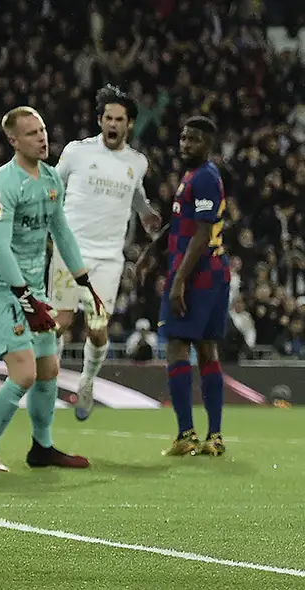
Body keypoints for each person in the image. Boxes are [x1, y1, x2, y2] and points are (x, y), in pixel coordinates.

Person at [0, 106, 103, 474]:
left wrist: (84, 282)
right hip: (2, 290)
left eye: (43, 129)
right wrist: (25, 296)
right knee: (24, 374)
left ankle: (42, 448)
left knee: (48, 369)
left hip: (34, 291)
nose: (42, 137)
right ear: (13, 140)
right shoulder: (2, 184)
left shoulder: (50, 180)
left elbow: (61, 230)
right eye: (31, 133)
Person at [49, 85, 161, 421]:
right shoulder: (77, 152)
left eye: (119, 119)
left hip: (109, 259)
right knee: (60, 322)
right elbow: (52, 185)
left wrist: (146, 214)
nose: (113, 124)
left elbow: (137, 196)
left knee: (97, 329)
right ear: (100, 121)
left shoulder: (137, 163)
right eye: (108, 118)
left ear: (129, 124)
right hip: (70, 251)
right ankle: (48, 384)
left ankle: (86, 381)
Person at [136, 116, 228, 458]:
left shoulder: (204, 177)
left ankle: (186, 434)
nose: (185, 144)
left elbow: (202, 234)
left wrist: (178, 282)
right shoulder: (195, 177)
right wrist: (150, 253)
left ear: (208, 144)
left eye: (193, 139)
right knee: (206, 350)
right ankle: (214, 436)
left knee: (177, 346)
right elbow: (181, 225)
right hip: (214, 273)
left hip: (198, 276)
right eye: (183, 137)